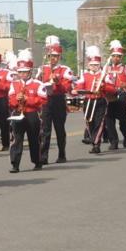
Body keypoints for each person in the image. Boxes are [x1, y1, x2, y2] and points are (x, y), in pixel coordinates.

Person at [7, 49, 47, 172]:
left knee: (34, 139)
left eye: (25, 72)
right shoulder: (14, 84)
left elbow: (43, 100)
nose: (22, 74)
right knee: (16, 140)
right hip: (18, 113)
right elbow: (10, 101)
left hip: (32, 114)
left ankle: (37, 161)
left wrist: (28, 99)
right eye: (20, 72)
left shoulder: (38, 84)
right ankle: (15, 164)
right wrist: (16, 100)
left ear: (30, 71)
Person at [38, 36, 75, 164]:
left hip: (58, 100)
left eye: (55, 56)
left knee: (59, 129)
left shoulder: (65, 70)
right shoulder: (42, 69)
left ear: (59, 57)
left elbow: (67, 88)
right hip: (46, 101)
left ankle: (62, 154)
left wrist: (58, 82)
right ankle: (43, 156)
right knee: (45, 130)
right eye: (50, 56)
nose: (52, 58)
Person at [102, 40, 126, 149]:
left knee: (123, 120)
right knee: (109, 120)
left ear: (121, 57)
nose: (116, 58)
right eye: (114, 56)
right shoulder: (106, 68)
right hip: (109, 95)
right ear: (111, 56)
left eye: (118, 56)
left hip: (121, 95)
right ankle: (113, 142)